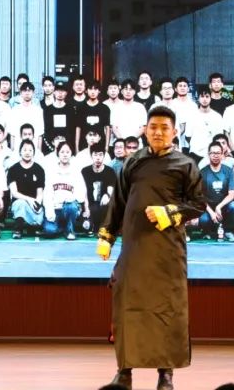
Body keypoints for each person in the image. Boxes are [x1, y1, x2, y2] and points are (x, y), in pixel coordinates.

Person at [97, 106, 206, 390]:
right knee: (127, 308)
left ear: (175, 132)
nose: (158, 132)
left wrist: (169, 212)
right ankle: (124, 371)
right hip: (134, 248)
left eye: (164, 128)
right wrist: (107, 235)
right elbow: (118, 201)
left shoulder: (186, 165)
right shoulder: (132, 162)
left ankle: (165, 374)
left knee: (168, 310)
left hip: (168, 251)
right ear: (145, 130)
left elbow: (198, 205)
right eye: (153, 127)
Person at [192, 141, 234, 241]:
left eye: (218, 153)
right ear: (208, 154)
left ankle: (228, 231)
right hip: (208, 207)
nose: (215, 156)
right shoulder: (203, 172)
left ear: (222, 154)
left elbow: (232, 194)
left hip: (224, 206)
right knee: (203, 220)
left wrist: (219, 206)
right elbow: (200, 197)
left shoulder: (228, 171)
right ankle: (207, 231)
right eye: (213, 153)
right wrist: (211, 212)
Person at [43, 142, 88, 240]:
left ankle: (69, 229)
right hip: (55, 209)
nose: (65, 155)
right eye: (62, 152)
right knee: (49, 231)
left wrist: (70, 199)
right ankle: (62, 227)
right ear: (58, 154)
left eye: (67, 152)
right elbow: (47, 194)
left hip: (69, 208)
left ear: (71, 153)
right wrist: (50, 212)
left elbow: (81, 193)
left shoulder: (76, 171)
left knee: (71, 206)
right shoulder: (51, 171)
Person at [6, 139, 45, 239]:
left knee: (38, 220)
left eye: (30, 150)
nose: (27, 153)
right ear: (20, 152)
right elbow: (14, 193)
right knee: (21, 203)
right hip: (18, 203)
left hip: (33, 204)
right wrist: (29, 199)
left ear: (34, 153)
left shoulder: (39, 169)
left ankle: (30, 225)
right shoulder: (13, 169)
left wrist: (37, 204)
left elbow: (40, 193)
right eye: (25, 150)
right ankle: (18, 229)